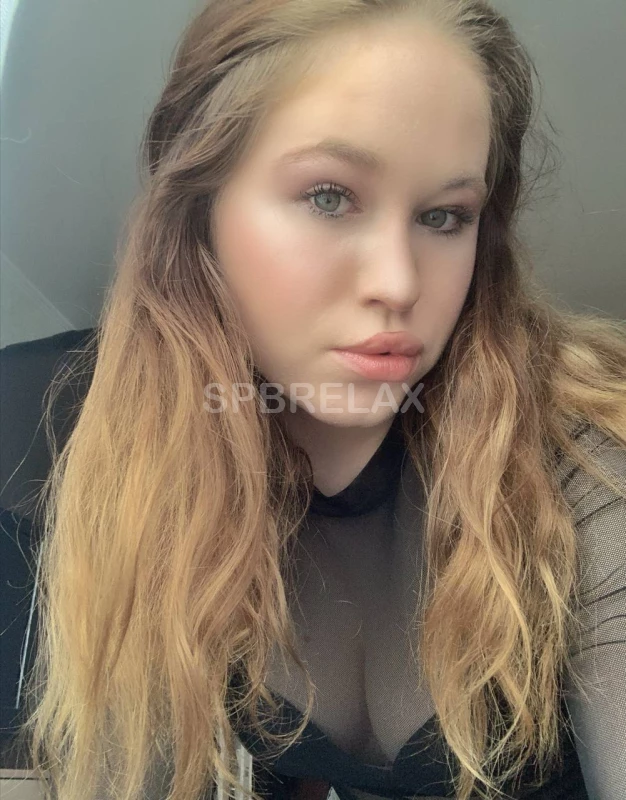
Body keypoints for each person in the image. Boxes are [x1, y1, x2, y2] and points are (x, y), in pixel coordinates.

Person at [1, 0, 625, 798]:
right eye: (330, 197)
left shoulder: (582, 455)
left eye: (444, 216)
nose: (399, 282)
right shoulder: (139, 469)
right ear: (199, 209)